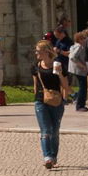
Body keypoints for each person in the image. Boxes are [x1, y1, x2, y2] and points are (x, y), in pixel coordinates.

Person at [31, 40, 68, 169]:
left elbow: (65, 86)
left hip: (56, 101)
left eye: (38, 51)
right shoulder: (36, 66)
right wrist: (36, 97)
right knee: (46, 130)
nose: (36, 53)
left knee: (55, 131)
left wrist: (59, 73)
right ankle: (47, 157)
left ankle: (53, 157)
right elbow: (35, 86)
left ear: (46, 52)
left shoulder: (58, 65)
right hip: (40, 101)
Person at [67, 24, 88, 112]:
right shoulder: (79, 46)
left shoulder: (76, 46)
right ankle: (80, 105)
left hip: (77, 69)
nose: (86, 40)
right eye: (84, 38)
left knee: (83, 86)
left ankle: (81, 104)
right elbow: (72, 57)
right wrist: (82, 66)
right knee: (83, 87)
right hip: (79, 70)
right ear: (79, 39)